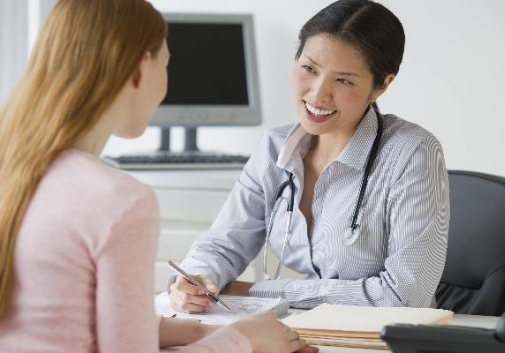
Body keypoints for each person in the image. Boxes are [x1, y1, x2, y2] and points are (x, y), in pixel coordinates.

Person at [0, 1, 318, 352]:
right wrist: (246, 340)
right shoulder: (118, 200)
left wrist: (196, 333)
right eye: (167, 64)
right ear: (141, 68)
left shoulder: (13, 165)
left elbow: (56, 316)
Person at [169, 0, 450, 313]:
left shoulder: (412, 153)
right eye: (309, 69)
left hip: (383, 339)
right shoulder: (275, 148)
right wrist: (199, 276)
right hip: (302, 328)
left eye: (343, 80)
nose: (317, 94)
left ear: (381, 85)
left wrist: (261, 291)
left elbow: (405, 296)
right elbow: (224, 243)